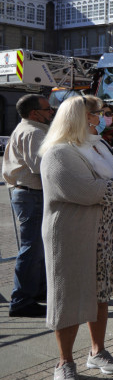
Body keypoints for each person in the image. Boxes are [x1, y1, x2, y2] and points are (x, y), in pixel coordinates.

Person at [39, 95, 113, 380]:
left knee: (100, 294)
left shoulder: (96, 144)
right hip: (73, 235)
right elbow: (84, 190)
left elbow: (109, 177)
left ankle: (97, 351)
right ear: (81, 117)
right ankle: (64, 362)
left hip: (104, 235)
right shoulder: (58, 152)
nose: (103, 117)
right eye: (97, 113)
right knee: (68, 298)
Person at [3, 94, 54, 318]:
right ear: (35, 113)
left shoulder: (30, 129)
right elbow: (41, 168)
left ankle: (35, 292)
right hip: (32, 194)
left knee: (37, 248)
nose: (51, 112)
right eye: (47, 108)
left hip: (30, 194)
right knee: (32, 249)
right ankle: (22, 300)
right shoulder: (34, 132)